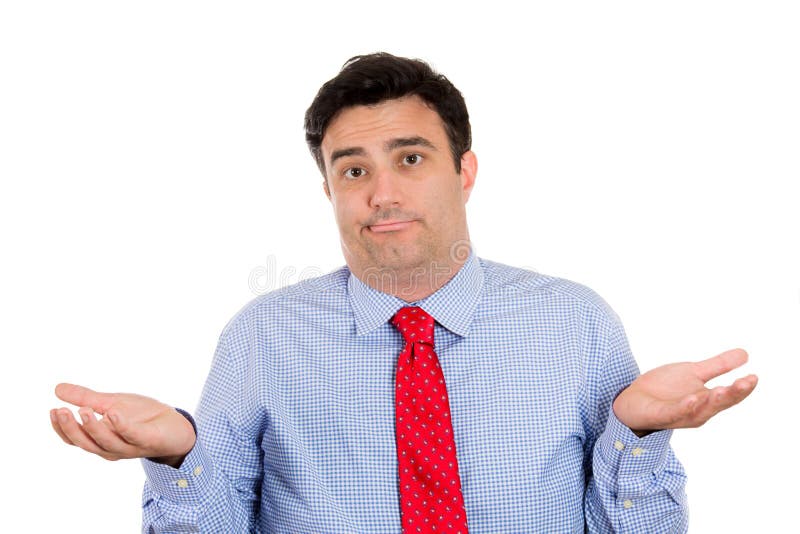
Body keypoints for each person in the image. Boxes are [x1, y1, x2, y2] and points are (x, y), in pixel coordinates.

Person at [50, 52, 758, 533]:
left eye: (410, 159)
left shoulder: (576, 324)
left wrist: (636, 436)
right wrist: (180, 457)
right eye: (353, 170)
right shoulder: (262, 337)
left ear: (466, 170)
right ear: (329, 188)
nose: (382, 195)